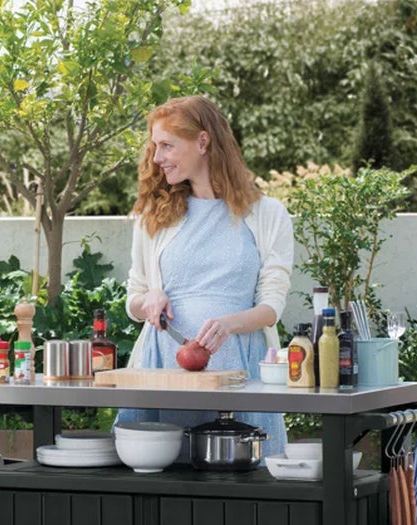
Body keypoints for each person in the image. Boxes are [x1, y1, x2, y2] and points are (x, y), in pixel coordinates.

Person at [119, 95, 292, 456]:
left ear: (202, 141)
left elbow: (272, 306)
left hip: (239, 369)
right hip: (162, 366)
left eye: (167, 145)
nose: (156, 158)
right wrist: (147, 299)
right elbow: (133, 298)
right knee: (156, 478)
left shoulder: (269, 214)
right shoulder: (152, 216)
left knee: (247, 483)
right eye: (155, 146)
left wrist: (230, 325)